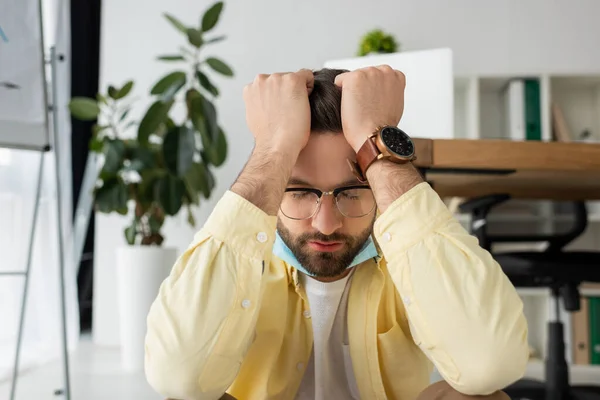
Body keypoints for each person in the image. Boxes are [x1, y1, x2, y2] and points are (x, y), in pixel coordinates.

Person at [144, 66, 529, 400]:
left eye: (351, 192)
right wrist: (273, 150)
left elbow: (490, 364)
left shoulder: (409, 261)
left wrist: (376, 142)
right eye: (297, 191)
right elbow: (176, 375)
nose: (326, 224)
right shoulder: (241, 267)